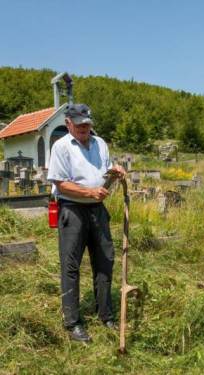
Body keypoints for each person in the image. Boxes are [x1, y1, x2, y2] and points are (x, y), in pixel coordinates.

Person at [47, 103, 126, 342]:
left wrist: (115, 172)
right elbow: (60, 184)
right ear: (68, 123)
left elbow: (103, 176)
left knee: (105, 260)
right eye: (79, 124)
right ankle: (73, 324)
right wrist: (89, 193)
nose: (84, 127)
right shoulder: (61, 146)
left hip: (97, 210)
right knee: (71, 265)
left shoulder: (99, 143)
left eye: (87, 123)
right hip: (72, 210)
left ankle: (106, 315)